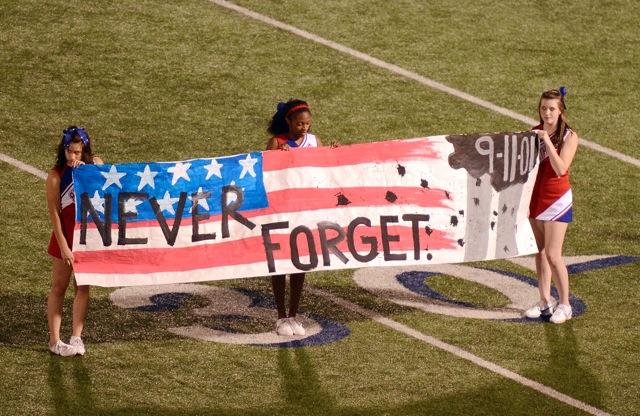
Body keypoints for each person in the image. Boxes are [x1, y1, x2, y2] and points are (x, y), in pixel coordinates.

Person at [266, 99, 325, 336]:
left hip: (305, 210)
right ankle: (280, 316)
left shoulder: (314, 141)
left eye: (307, 124)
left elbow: (323, 169)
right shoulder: (277, 142)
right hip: (281, 210)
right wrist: (278, 157)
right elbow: (267, 175)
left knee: (300, 263)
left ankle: (293, 315)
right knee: (280, 263)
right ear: (289, 121)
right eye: (300, 123)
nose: (304, 128)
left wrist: (334, 154)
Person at [46, 126, 103, 356]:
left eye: (78, 152)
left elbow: (103, 172)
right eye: (69, 151)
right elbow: (54, 215)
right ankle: (54, 341)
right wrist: (63, 247)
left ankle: (77, 338)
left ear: (84, 151)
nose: (72, 157)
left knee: (82, 286)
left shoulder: (92, 165)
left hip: (86, 238)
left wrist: (87, 171)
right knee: (59, 287)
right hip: (65, 237)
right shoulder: (55, 176)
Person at [524, 88, 579, 324]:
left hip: (557, 200)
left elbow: (561, 169)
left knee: (554, 255)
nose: (547, 113)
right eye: (543, 108)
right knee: (541, 253)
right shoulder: (532, 132)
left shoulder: (569, 137)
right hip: (536, 198)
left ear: (561, 111)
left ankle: (565, 304)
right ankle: (545, 301)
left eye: (552, 109)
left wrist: (546, 140)